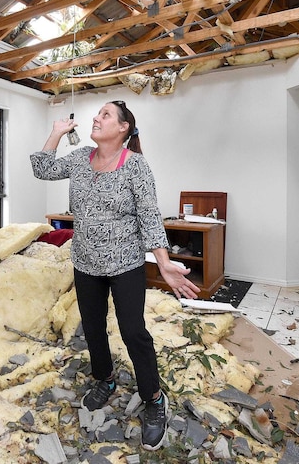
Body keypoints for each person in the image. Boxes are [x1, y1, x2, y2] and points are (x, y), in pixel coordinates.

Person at [30, 100, 200, 451]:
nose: (96, 117)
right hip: (86, 263)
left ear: (123, 127)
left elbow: (149, 216)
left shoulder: (135, 165)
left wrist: (163, 262)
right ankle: (104, 378)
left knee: (133, 331)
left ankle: (153, 399)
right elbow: (42, 169)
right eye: (98, 114)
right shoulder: (80, 159)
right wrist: (56, 133)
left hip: (125, 264)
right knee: (92, 327)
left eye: (105, 114)